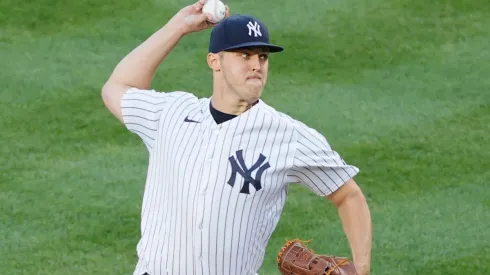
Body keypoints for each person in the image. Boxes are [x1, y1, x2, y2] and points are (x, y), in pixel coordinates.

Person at [101, 0, 372, 274]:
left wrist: (361, 270)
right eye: (244, 55)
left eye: (262, 57)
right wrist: (177, 28)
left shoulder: (289, 136)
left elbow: (348, 195)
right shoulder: (171, 114)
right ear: (214, 61)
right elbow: (117, 87)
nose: (256, 65)